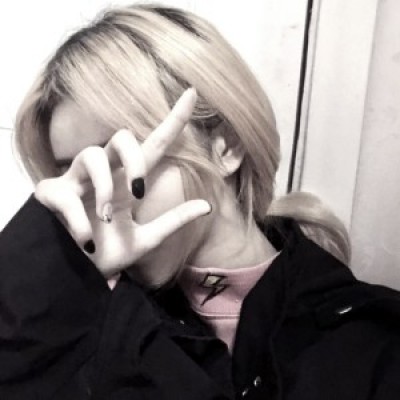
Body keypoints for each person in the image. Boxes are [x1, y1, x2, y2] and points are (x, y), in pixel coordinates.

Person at [1, 3, 400, 399]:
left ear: (226, 146)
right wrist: (48, 272)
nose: (103, 202)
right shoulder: (84, 325)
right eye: (79, 176)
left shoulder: (374, 345)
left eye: (122, 158)